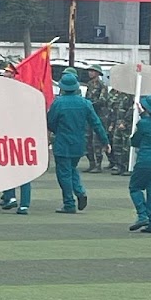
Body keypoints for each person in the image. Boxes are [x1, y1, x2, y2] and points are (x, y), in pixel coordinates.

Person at [48, 69, 108, 214]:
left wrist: (56, 132)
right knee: (72, 169)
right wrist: (105, 141)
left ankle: (69, 203)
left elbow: (50, 122)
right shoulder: (85, 103)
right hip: (78, 141)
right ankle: (80, 192)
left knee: (64, 173)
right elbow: (96, 123)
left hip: (62, 141)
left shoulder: (58, 103)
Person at [127, 93, 151, 234]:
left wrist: (142, 117)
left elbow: (135, 141)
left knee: (135, 187)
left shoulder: (143, 124)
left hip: (146, 159)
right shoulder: (146, 122)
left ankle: (142, 214)